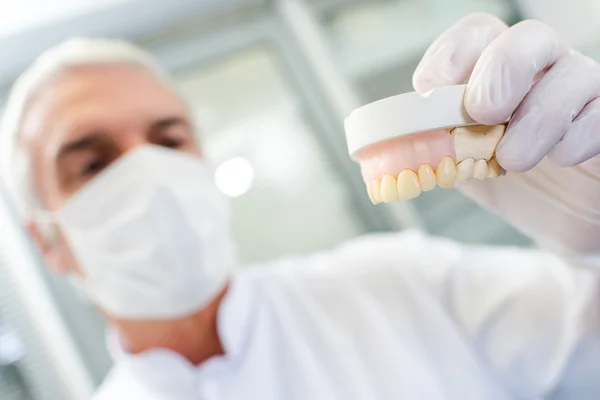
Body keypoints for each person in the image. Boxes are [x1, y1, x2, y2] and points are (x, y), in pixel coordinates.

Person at [2, 12, 600, 399]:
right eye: (93, 163)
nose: (150, 176)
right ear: (48, 242)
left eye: (168, 140)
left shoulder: (400, 284)